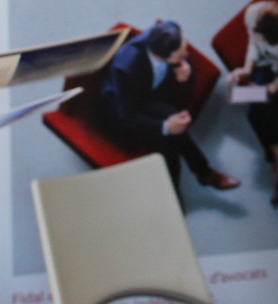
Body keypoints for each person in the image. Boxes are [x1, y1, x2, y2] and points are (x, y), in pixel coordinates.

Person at [99, 20, 239, 196]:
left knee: (171, 121)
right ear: (161, 57)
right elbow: (127, 115)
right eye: (181, 55)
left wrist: (183, 63)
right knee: (167, 139)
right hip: (125, 108)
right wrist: (165, 127)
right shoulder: (126, 68)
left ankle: (194, 179)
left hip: (151, 93)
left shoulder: (170, 29)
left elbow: (177, 45)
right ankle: (194, 179)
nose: (186, 53)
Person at [228, 0, 278, 207]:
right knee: (258, 107)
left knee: (259, 108)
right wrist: (247, 69)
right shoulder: (252, 14)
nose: (260, 37)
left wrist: (276, 86)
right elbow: (253, 43)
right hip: (268, 64)